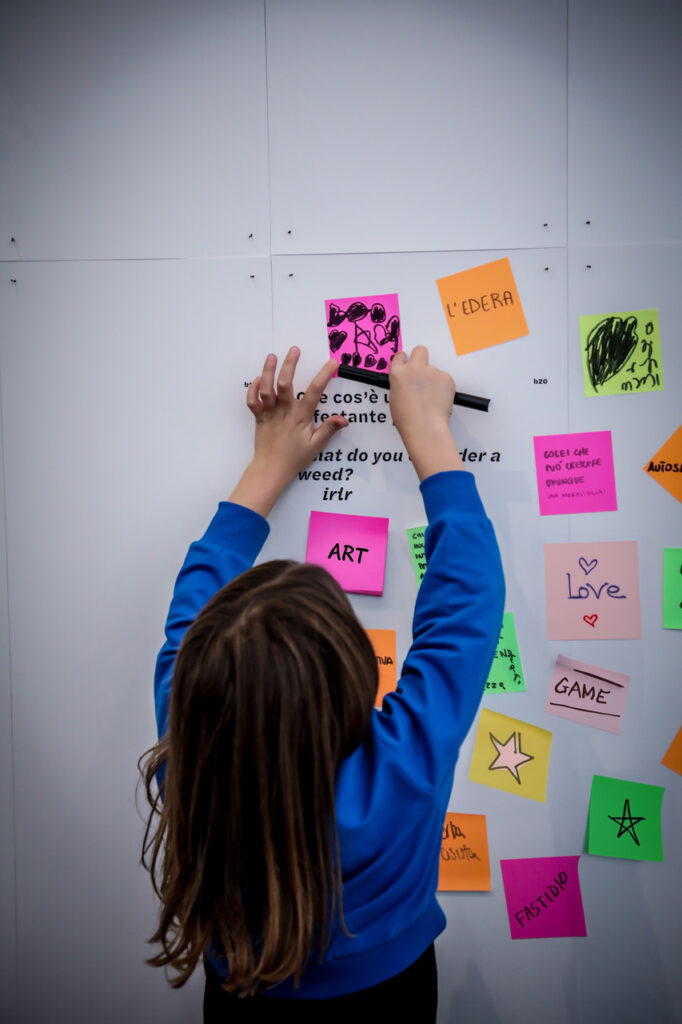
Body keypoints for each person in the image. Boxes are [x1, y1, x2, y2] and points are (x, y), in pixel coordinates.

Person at [139, 345, 505, 1022]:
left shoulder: (188, 745)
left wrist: (266, 466)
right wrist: (429, 435)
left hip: (241, 993)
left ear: (196, 680)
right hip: (389, 997)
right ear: (358, 680)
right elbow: (466, 608)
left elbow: (188, 620)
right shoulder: (399, 770)